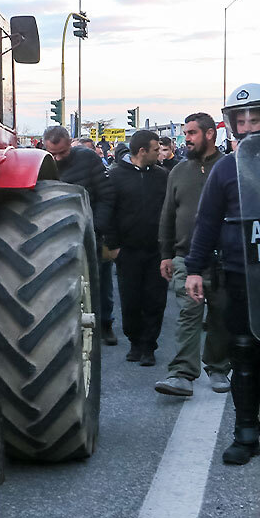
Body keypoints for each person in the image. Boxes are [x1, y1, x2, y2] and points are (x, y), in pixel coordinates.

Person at [184, 84, 260, 464]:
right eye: (241, 120)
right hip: (240, 275)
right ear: (232, 125)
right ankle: (246, 433)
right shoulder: (224, 169)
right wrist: (195, 270)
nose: (249, 126)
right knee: (243, 355)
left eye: (255, 118)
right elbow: (206, 223)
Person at [155, 113, 231, 396]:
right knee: (188, 313)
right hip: (185, 256)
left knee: (221, 315)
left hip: (222, 258)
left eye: (192, 133)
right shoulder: (178, 172)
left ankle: (219, 367)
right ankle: (182, 373)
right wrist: (166, 253)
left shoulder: (228, 167)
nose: (186, 139)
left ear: (210, 134)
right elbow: (168, 215)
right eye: (185, 133)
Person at [98, 133, 168, 364]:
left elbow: (169, 211)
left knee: (154, 301)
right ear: (141, 151)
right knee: (130, 301)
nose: (160, 153)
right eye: (156, 150)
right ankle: (135, 342)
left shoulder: (162, 176)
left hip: (155, 251)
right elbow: (108, 211)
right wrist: (113, 245)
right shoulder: (115, 176)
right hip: (127, 251)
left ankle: (149, 346)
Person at [41, 126, 115, 338]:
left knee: (100, 282)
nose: (56, 159)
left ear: (70, 145)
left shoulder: (87, 159)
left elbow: (106, 195)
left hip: (90, 231)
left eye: (62, 153)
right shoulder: (44, 164)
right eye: (52, 154)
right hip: (58, 236)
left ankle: (105, 323)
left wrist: (96, 228)